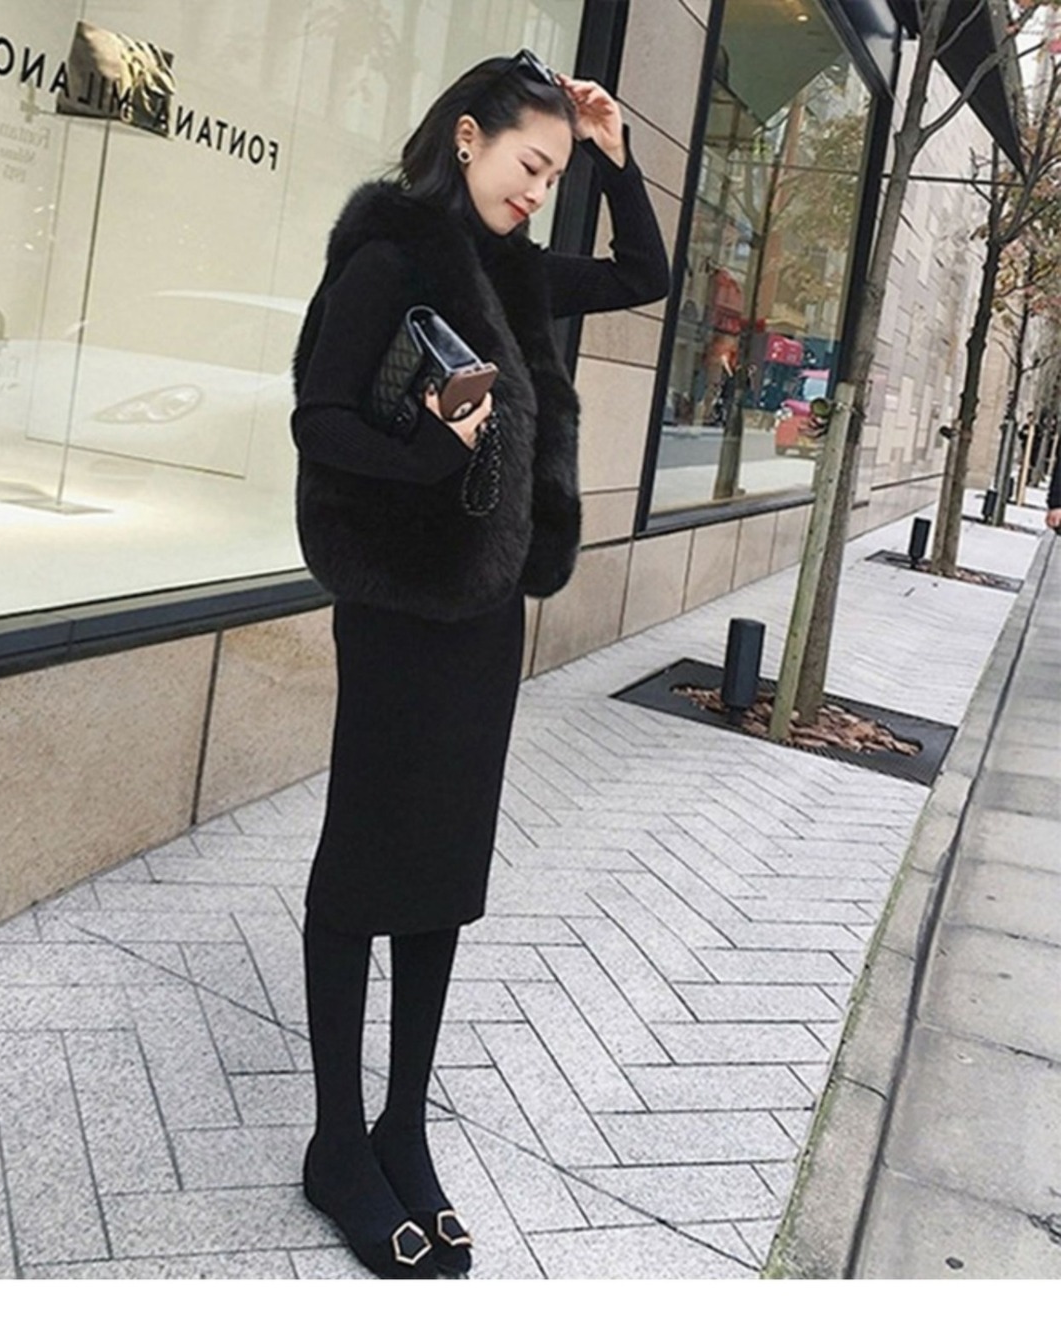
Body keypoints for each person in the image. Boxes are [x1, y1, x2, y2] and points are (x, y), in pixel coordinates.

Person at [289, 50, 670, 1279]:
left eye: (553, 174)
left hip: (485, 613)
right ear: (467, 137)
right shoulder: (387, 254)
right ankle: (337, 1143)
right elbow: (318, 420)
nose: (536, 190)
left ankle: (402, 1123)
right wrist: (430, 452)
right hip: (395, 605)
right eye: (529, 164)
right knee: (364, 861)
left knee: (444, 868)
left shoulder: (514, 270)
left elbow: (644, 276)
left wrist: (613, 158)